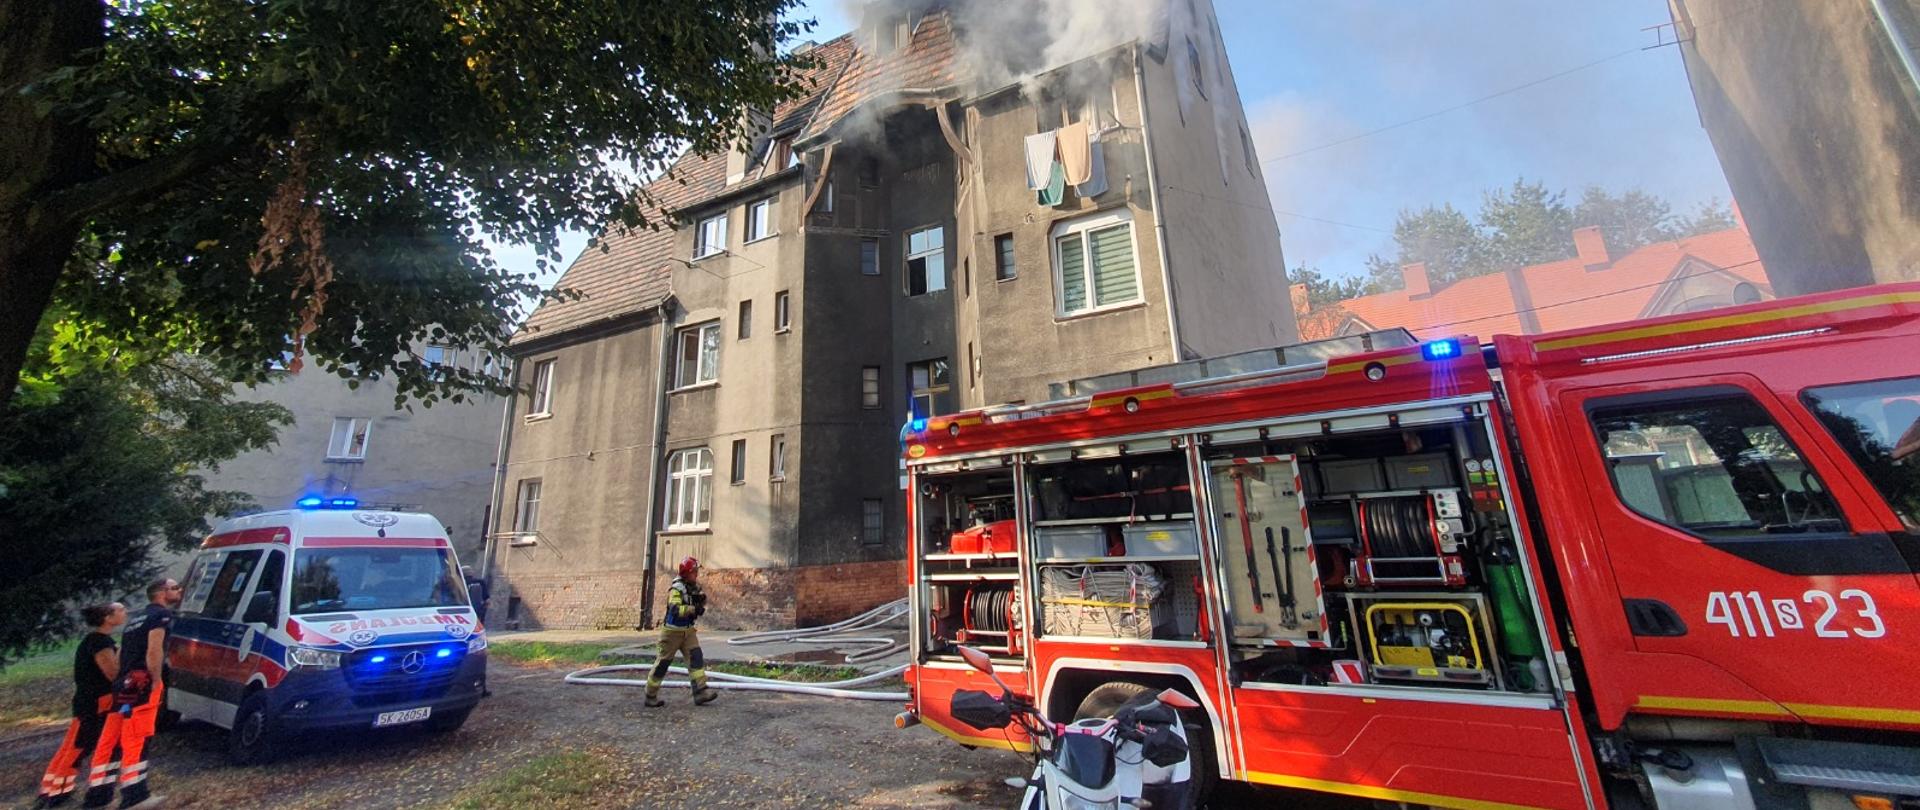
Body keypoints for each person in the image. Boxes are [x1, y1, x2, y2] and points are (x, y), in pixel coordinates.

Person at [82, 579, 180, 810]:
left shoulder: (135, 619)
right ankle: (135, 795)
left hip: (123, 685)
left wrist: (121, 680)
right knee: (137, 737)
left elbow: (121, 654)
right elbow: (154, 650)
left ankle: (98, 796)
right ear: (161, 593)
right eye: (175, 588)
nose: (180, 590)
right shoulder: (161, 616)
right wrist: (156, 679)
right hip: (141, 684)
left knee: (110, 739)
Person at [33, 603, 125, 808]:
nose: (124, 613)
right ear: (107, 618)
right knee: (78, 747)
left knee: (72, 745)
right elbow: (112, 673)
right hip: (94, 704)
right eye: (120, 610)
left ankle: (51, 790)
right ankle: (57, 794)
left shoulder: (93, 641)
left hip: (87, 702)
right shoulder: (100, 643)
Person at [645, 557, 718, 708]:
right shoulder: (676, 589)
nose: (697, 574)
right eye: (694, 572)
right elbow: (675, 609)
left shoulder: (692, 587)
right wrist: (693, 609)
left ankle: (701, 692)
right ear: (687, 573)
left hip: (688, 632)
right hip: (671, 633)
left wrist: (700, 601)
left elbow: (696, 601)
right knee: (663, 664)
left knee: (696, 657)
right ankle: (650, 695)